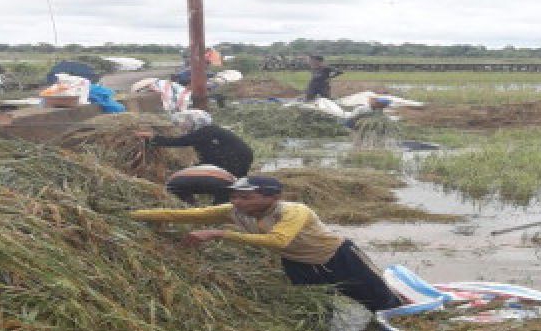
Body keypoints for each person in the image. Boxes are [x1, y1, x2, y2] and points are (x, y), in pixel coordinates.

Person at [130, 175, 406, 313]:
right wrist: (131, 214)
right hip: (299, 265)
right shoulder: (233, 211)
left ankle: (400, 329)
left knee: (380, 303)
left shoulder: (293, 211)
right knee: (315, 308)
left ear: (270, 197)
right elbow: (183, 215)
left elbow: (278, 240)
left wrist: (219, 234)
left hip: (337, 258)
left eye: (246, 197)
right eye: (236, 196)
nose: (238, 202)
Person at [135, 110, 253, 178]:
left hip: (236, 159)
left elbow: (180, 142)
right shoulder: (209, 131)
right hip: (238, 157)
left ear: (195, 121)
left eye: (187, 122)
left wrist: (152, 138)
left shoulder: (207, 131)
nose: (183, 124)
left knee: (227, 181)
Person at [164, 165, 236, 206]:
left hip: (175, 180)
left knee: (190, 205)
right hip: (178, 181)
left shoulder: (227, 177)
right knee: (221, 205)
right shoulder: (229, 183)